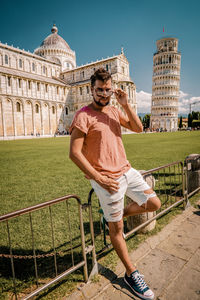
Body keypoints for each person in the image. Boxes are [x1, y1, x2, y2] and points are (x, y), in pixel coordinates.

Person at [69, 68, 161, 300]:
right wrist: (98, 179)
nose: (103, 93)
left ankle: (113, 216)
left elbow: (139, 128)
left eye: (107, 89)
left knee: (154, 203)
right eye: (99, 89)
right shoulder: (83, 115)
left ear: (112, 90)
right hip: (105, 179)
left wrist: (125, 104)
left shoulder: (113, 109)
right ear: (92, 89)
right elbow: (74, 153)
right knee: (117, 229)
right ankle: (132, 273)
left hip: (126, 170)